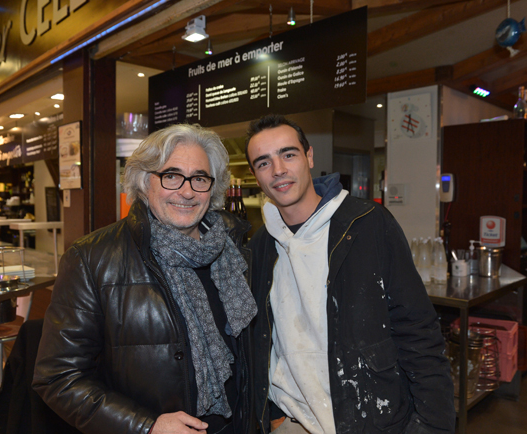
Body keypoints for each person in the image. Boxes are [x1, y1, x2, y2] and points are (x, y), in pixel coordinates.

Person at [33, 124, 258, 434]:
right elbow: (57, 377)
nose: (187, 190)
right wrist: (146, 427)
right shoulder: (92, 259)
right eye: (171, 175)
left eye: (200, 178)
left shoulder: (235, 252)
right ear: (143, 182)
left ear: (212, 187)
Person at [245, 114, 455, 434]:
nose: (278, 170)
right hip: (293, 422)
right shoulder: (261, 244)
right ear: (255, 175)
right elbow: (262, 340)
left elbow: (418, 331)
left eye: (288, 154)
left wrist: (432, 424)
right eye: (263, 162)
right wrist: (274, 414)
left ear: (309, 156)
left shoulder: (368, 224)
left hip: (370, 419)